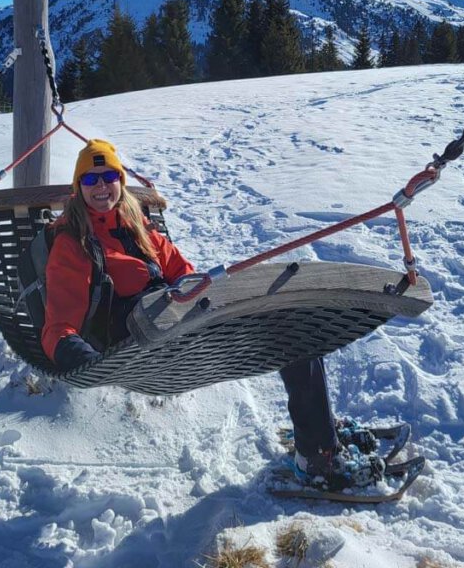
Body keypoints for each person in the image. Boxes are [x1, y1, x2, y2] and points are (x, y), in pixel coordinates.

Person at [43, 139, 385, 490]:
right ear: (78, 187)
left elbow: (186, 276)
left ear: (120, 180)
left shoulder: (139, 227)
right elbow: (59, 324)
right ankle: (317, 456)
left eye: (109, 176)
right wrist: (81, 358)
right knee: (290, 336)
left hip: (183, 328)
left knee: (289, 322)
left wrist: (212, 300)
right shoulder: (74, 244)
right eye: (90, 179)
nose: (100, 186)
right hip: (143, 349)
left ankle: (319, 433)